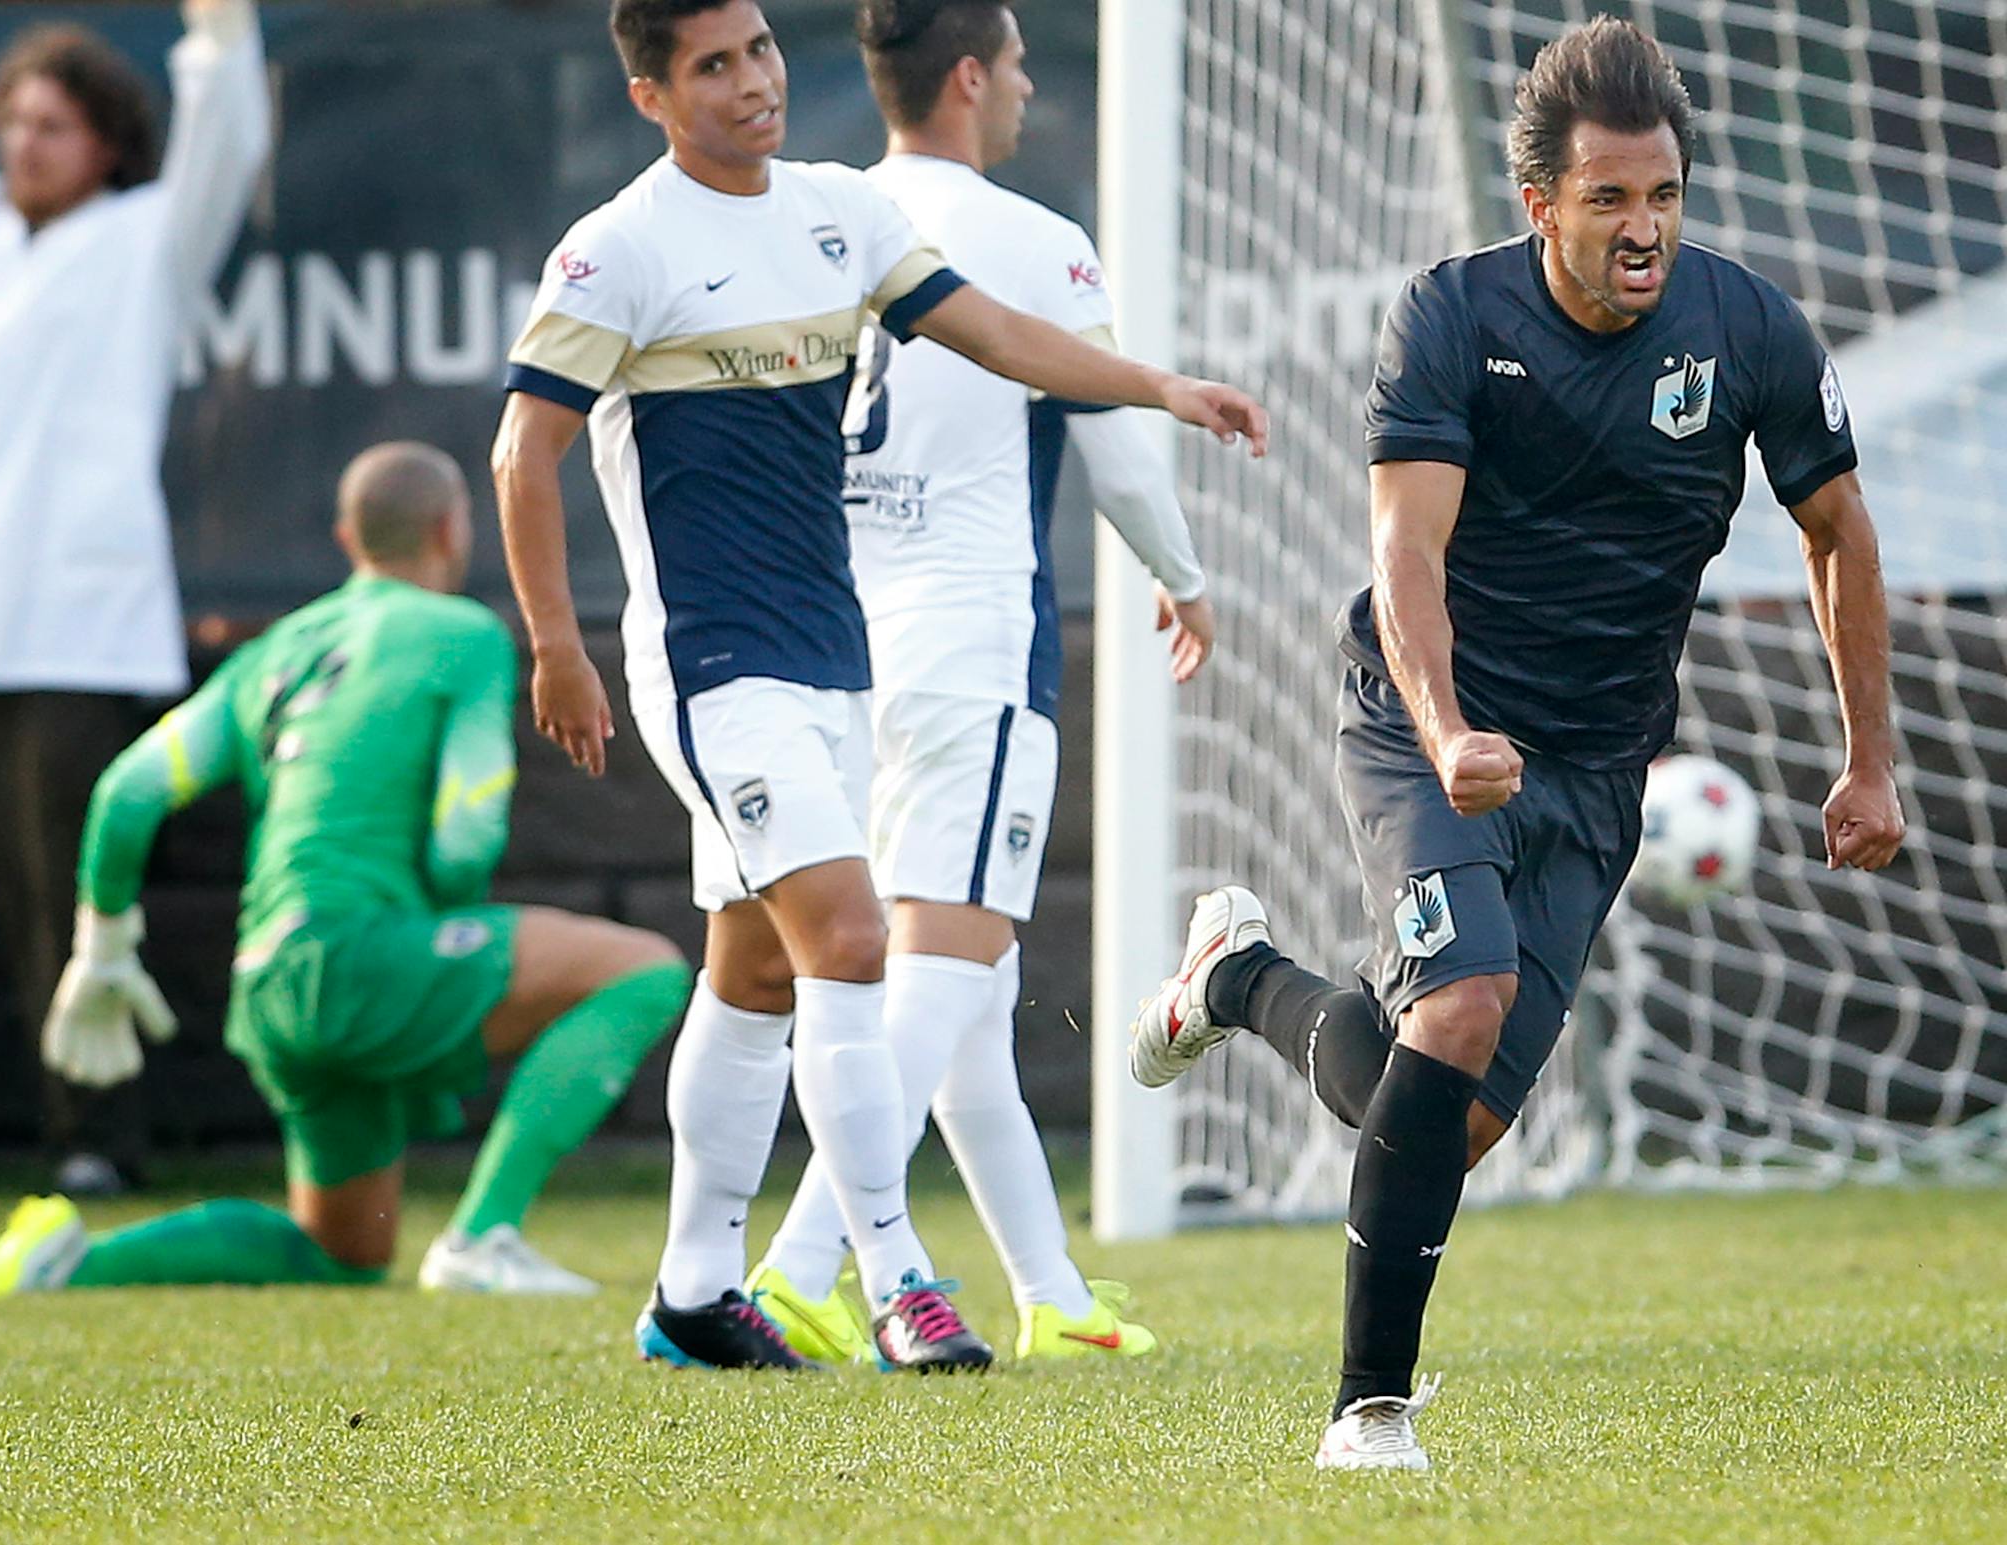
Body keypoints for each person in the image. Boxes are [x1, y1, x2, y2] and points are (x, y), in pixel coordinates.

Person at [1128, 17, 1904, 1469]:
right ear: (1539, 203)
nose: (1644, 227)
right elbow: (1404, 556)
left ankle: (1236, 978)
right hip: (1426, 722)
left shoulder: (1748, 332)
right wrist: (1449, 729)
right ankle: (1369, 1410)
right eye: (1609, 198)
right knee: (1466, 1001)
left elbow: (1838, 531)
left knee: (1448, 1112)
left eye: (1663, 194)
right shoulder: (1451, 316)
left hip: (1599, 767)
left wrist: (1870, 757)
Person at [491, 0, 1265, 1371]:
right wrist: (557, 643)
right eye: (713, 67)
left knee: (750, 972)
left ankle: (691, 1290)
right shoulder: (616, 248)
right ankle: (895, 1279)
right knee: (851, 940)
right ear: (651, 97)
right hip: (709, 666)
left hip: (839, 654)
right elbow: (521, 456)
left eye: (763, 52)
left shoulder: (841, 214)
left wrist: (1159, 385)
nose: (752, 84)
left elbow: (1007, 340)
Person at [746, 0, 1214, 1365]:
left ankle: (1055, 1296)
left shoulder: (818, 215)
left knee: (966, 976)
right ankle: (800, 1265)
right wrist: (1183, 575)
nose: (1021, 88)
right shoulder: (1030, 238)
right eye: (1011, 64)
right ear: (966, 77)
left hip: (840, 647)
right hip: (969, 639)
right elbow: (1118, 447)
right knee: (945, 968)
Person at [0, 443, 692, 1299]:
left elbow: (127, 792)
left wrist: (104, 950)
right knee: (645, 971)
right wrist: (436, 942)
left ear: (348, 536)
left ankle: (76, 1264)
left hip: (268, 986)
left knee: (342, 1249)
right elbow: (466, 835)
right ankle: (483, 1236)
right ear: (453, 530)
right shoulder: (463, 635)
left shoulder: (275, 652)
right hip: (366, 956)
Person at [0, 0, 271, 1198]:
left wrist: (220, 28)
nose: (29, 143)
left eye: (59, 125)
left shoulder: (151, 241)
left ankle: (93, 1142)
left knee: (70, 906)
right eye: (17, 122)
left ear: (110, 146)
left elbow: (226, 133)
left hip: (75, 639)